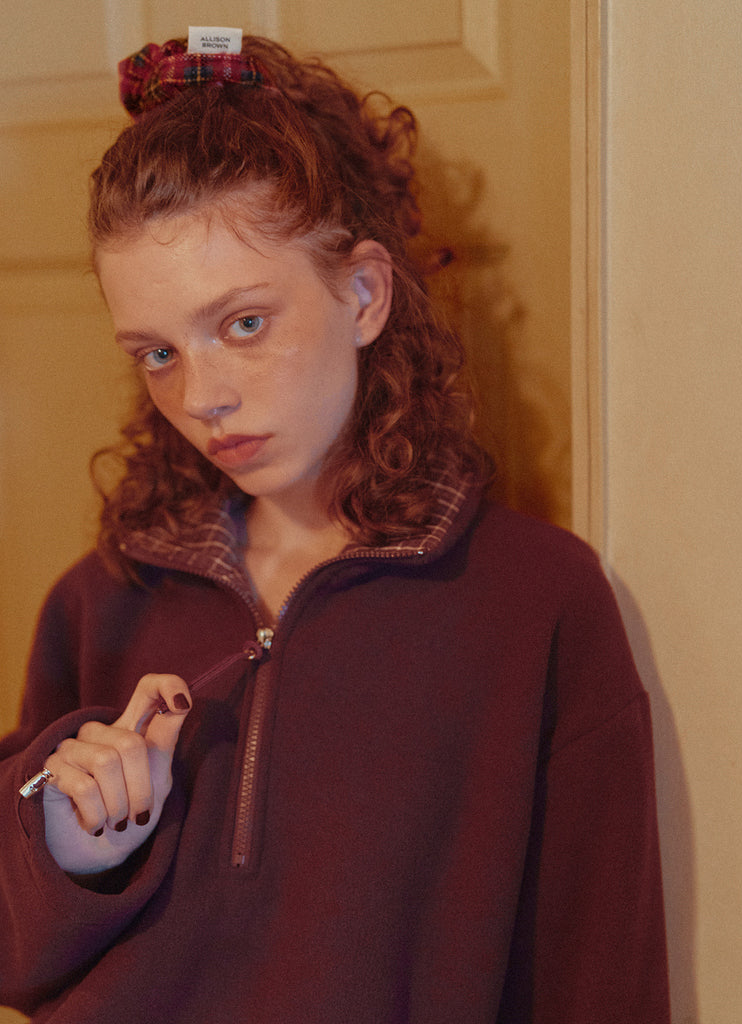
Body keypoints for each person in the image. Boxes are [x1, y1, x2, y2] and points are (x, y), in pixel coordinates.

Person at [0, 32, 670, 1024]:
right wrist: (64, 848)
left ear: (363, 294)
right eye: (156, 353)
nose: (203, 397)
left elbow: (599, 978)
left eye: (243, 324)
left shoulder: (537, 604)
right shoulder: (103, 600)